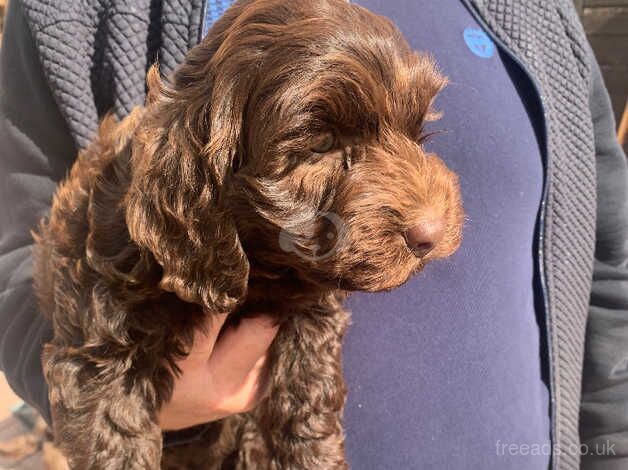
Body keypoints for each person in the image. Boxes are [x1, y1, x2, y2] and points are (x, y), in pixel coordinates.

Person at [0, 0, 625, 468]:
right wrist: (132, 398)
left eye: (416, 130)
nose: (427, 210)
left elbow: (611, 264)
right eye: (324, 142)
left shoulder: (541, 13)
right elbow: (16, 256)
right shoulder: (75, 16)